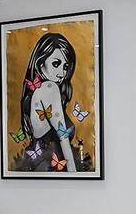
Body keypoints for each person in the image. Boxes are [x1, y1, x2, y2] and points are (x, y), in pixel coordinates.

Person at [12, 31, 92, 173]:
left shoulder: (36, 92)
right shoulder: (50, 88)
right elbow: (63, 136)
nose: (62, 73)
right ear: (40, 63)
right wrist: (73, 173)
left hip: (41, 166)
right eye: (56, 64)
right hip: (52, 168)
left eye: (65, 67)